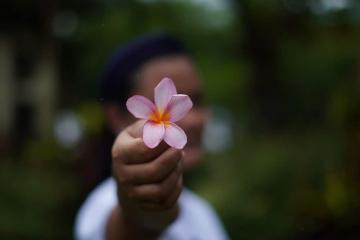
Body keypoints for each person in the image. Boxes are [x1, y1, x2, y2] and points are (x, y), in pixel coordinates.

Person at [74, 33, 229, 240]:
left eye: (197, 101)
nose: (192, 121)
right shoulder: (104, 204)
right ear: (117, 117)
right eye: (167, 101)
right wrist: (145, 211)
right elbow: (133, 225)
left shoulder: (202, 212)